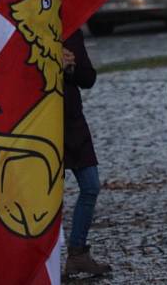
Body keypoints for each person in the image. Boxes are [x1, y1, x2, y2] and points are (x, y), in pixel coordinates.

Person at [62, 28, 110, 278]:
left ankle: (77, 253)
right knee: (47, 198)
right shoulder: (26, 29)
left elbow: (88, 78)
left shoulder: (71, 29)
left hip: (72, 124)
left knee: (90, 186)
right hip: (40, 125)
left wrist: (70, 68)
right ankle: (44, 261)